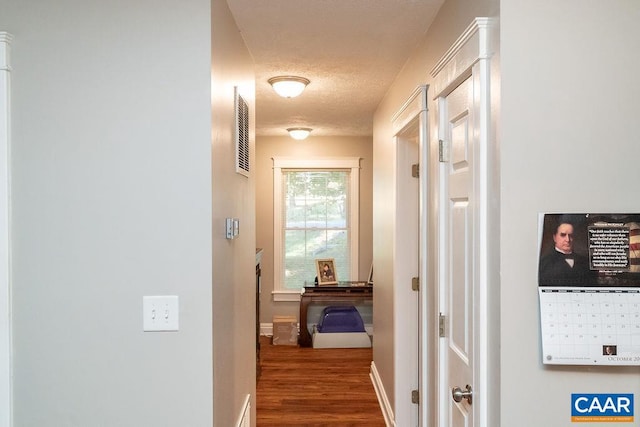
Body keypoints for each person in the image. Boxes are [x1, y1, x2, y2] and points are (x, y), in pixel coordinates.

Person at [539, 221, 594, 286]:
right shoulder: (544, 263)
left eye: (571, 235)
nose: (567, 240)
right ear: (555, 238)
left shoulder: (585, 262)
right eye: (563, 235)